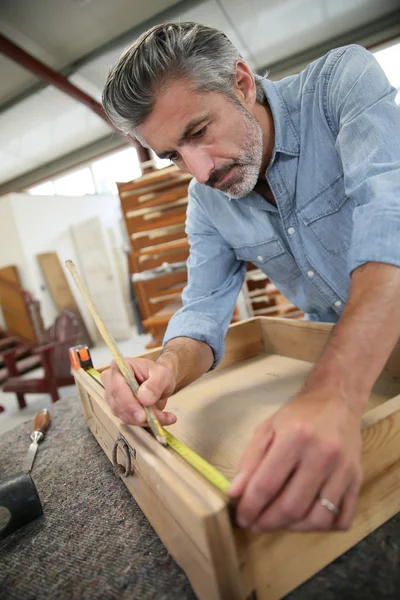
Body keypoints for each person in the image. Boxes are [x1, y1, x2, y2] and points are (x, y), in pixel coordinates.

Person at [101, 22, 400, 532]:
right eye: (173, 155)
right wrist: (168, 367)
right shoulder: (206, 201)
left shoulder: (339, 85)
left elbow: (390, 220)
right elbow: (203, 307)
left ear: (240, 82)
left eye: (197, 133)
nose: (199, 171)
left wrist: (332, 395)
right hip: (341, 361)